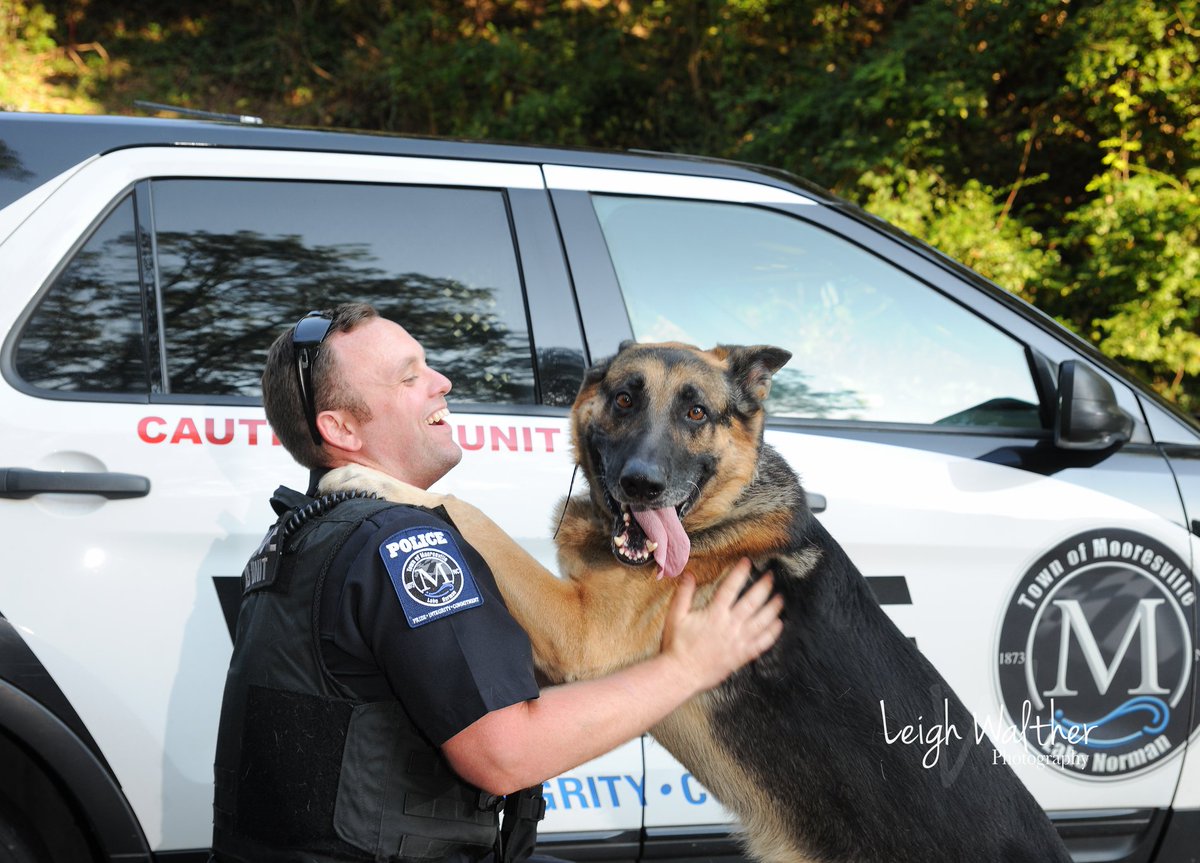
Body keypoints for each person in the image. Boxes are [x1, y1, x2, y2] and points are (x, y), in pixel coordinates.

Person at [210, 302, 783, 863]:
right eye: (409, 377)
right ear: (341, 427)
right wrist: (688, 669)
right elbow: (506, 756)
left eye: (428, 366)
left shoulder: (300, 533)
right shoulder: (403, 543)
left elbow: (475, 683)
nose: (442, 381)